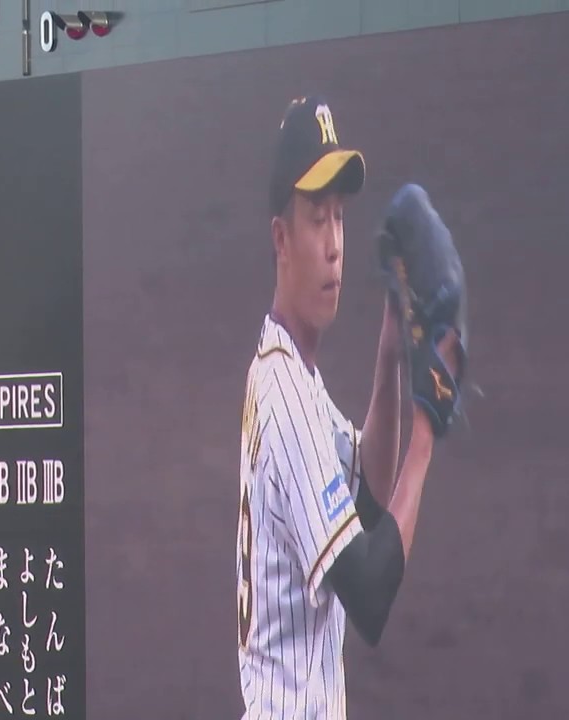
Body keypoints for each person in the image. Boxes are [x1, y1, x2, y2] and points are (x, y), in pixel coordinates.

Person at [235, 95, 462, 718]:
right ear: (281, 238)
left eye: (339, 219)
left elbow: (367, 499)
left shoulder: (292, 378)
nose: (334, 244)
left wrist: (392, 356)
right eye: (317, 220)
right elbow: (369, 592)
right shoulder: (285, 400)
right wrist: (426, 428)